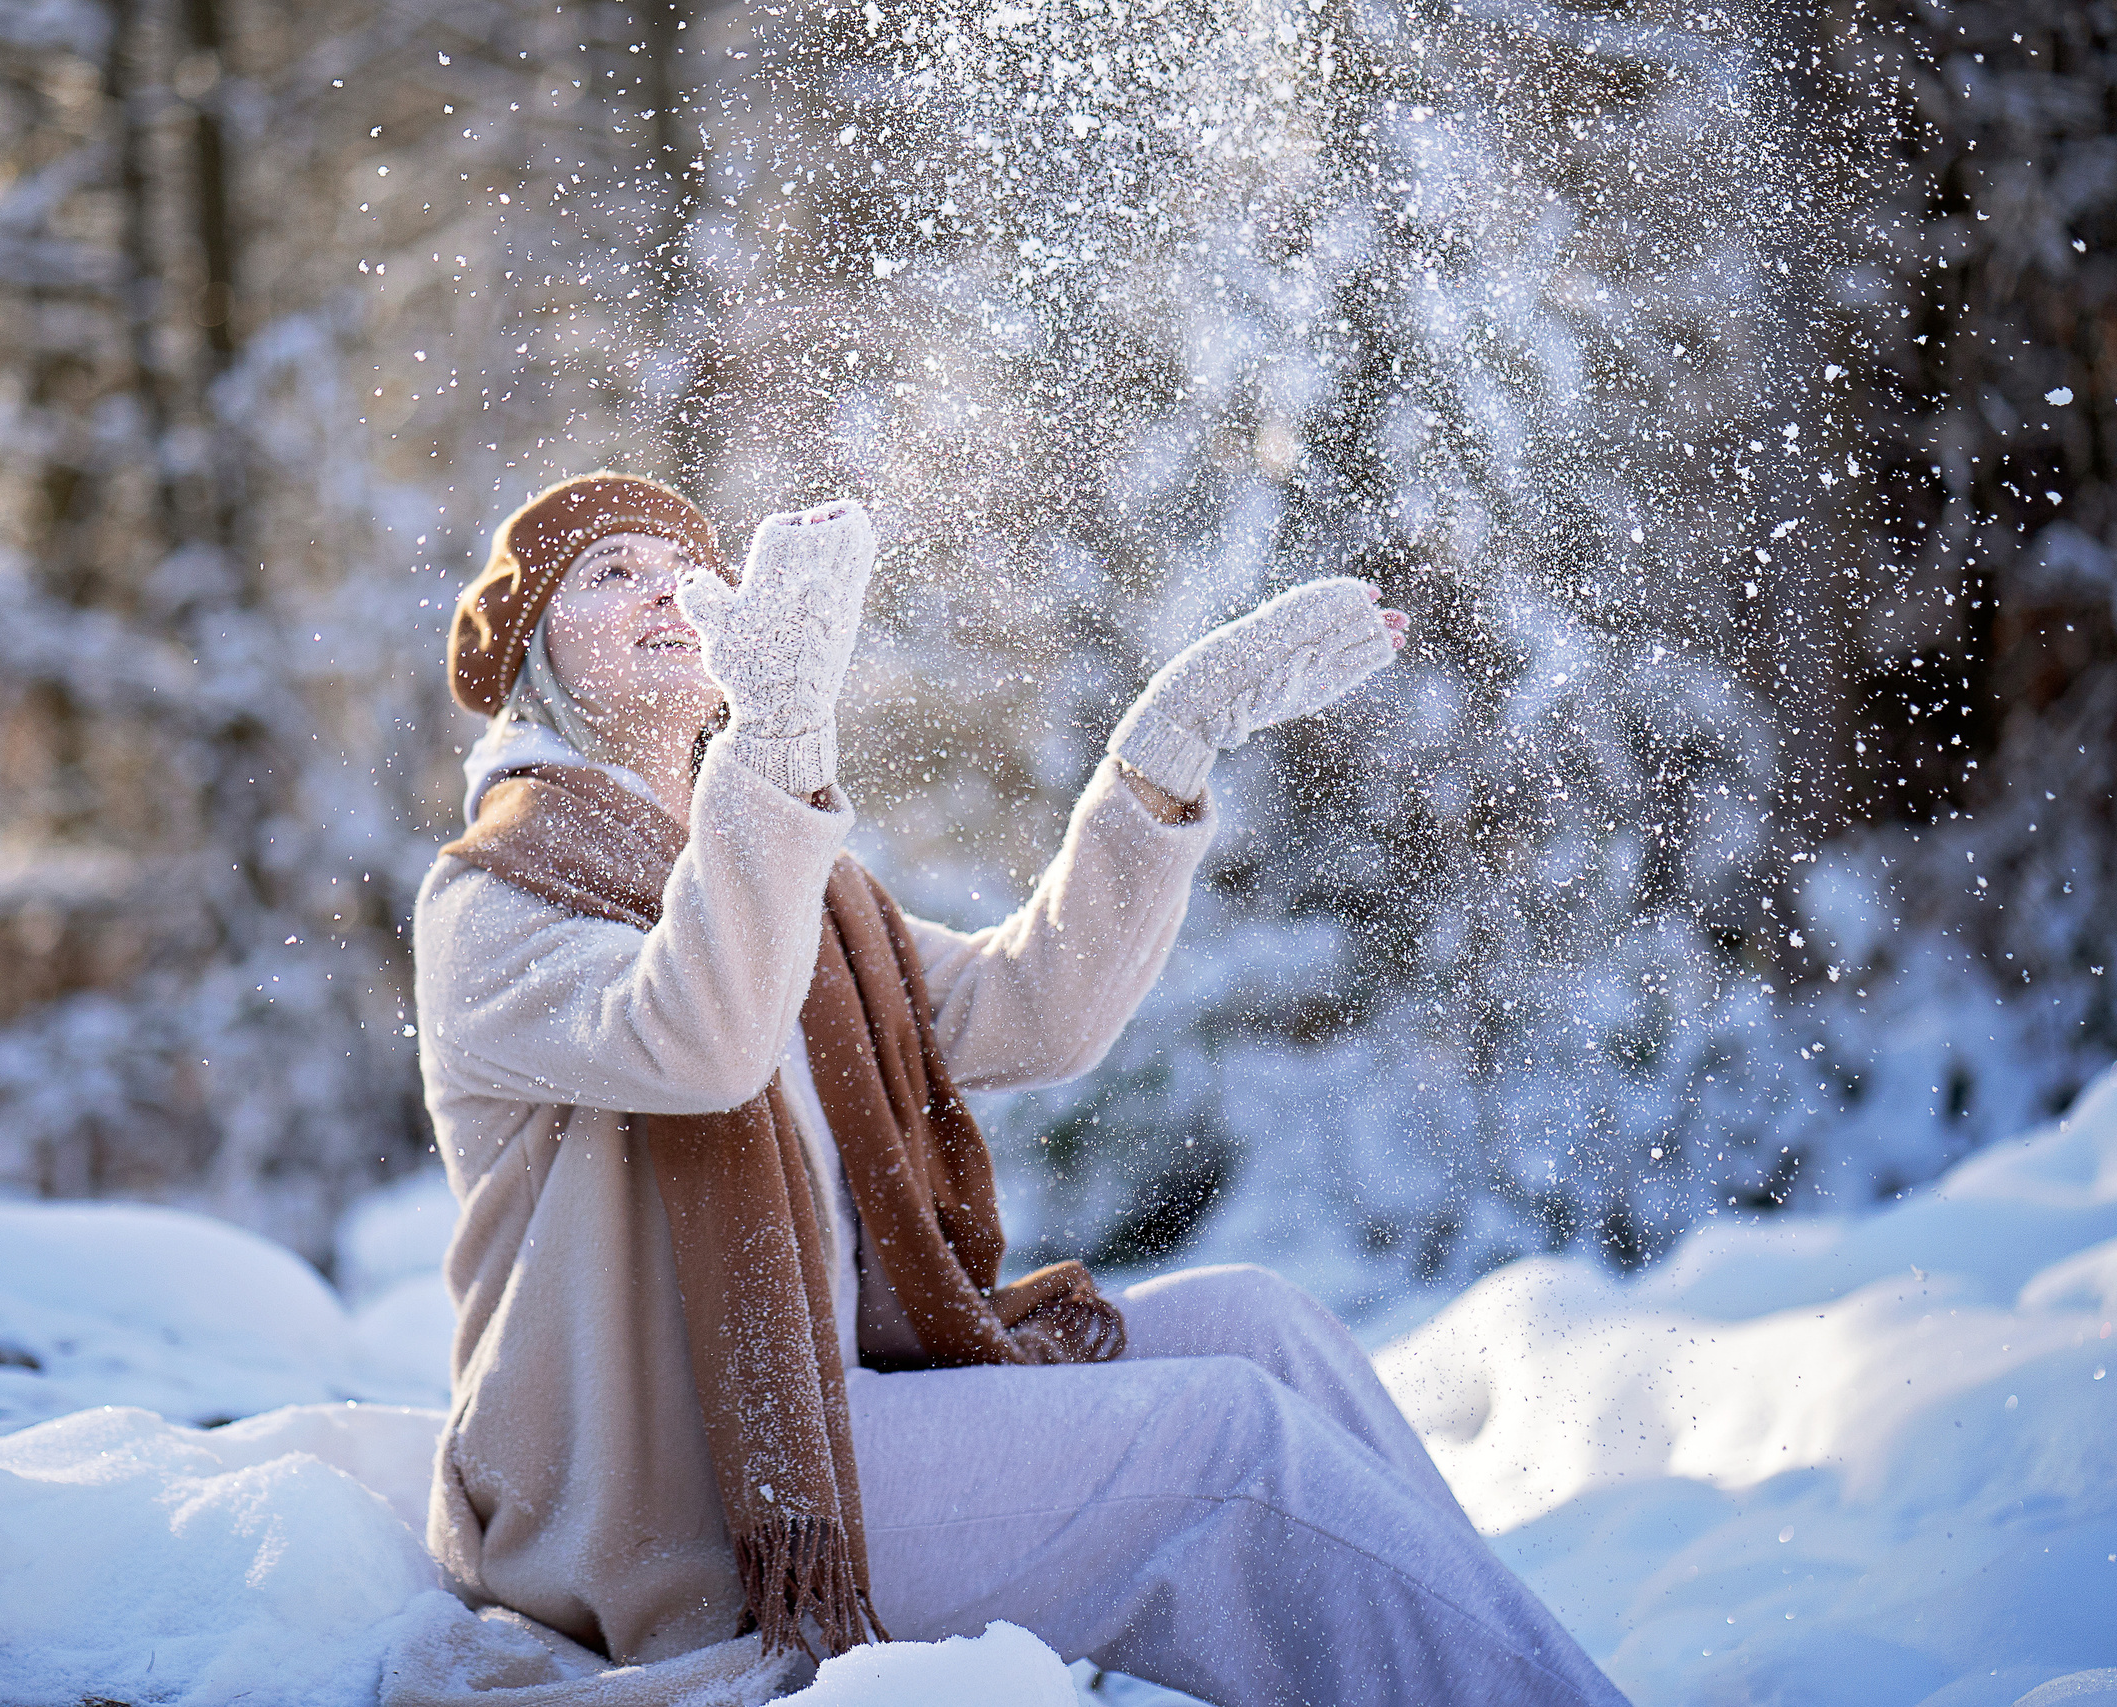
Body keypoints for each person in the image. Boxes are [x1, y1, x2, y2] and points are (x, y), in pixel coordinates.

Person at [411, 471, 1625, 1706]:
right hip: (686, 1494)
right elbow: (700, 1037)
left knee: (1263, 1326)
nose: (661, 586)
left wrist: (1167, 749)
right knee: (1225, 1451)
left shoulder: (788, 888)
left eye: (681, 564)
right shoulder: (500, 896)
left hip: (835, 1410)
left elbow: (1029, 1011)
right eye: (608, 573)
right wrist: (778, 740)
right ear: (531, 654)